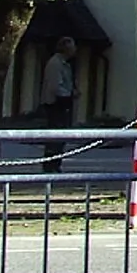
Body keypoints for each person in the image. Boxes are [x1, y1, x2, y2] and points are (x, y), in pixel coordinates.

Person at [38, 36, 77, 172]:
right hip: (55, 103)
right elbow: (56, 86)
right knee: (54, 136)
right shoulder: (56, 63)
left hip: (62, 102)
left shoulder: (65, 63)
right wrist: (68, 95)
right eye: (72, 47)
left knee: (60, 136)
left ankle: (56, 163)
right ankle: (50, 165)